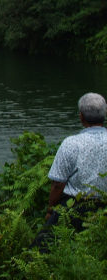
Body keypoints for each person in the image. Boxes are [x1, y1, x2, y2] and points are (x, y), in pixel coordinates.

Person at [43, 93, 107, 236]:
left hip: (74, 206)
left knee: (43, 244)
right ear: (104, 115)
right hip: (105, 206)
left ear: (81, 117)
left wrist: (50, 211)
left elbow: (58, 184)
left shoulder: (71, 143)